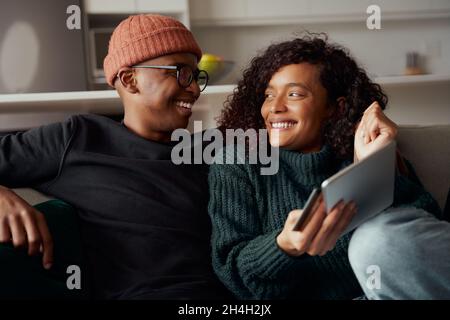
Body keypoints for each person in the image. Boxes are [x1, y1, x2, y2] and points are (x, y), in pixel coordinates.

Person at [0, 14, 231, 299]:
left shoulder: (215, 149)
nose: (194, 89)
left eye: (196, 77)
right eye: (181, 72)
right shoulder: (79, 139)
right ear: (130, 79)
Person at [207, 34, 449, 300]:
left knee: (379, 241)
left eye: (295, 94)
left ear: (335, 108)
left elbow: (423, 243)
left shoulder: (359, 149)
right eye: (268, 95)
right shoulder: (239, 162)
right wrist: (284, 245)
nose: (274, 107)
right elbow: (232, 271)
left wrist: (374, 161)